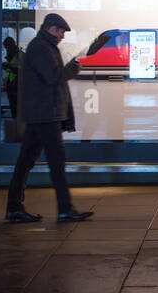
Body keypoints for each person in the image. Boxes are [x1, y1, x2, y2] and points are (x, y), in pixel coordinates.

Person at [6, 13, 93, 223]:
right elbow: (53, 76)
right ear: (51, 28)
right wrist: (72, 68)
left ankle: (14, 208)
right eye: (61, 31)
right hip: (45, 113)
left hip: (41, 113)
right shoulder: (41, 47)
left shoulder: (43, 46)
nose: (62, 36)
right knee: (56, 160)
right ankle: (65, 209)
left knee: (26, 160)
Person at [3, 36, 21, 120]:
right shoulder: (16, 55)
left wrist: (8, 66)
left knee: (16, 110)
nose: (6, 50)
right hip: (14, 87)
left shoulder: (16, 55)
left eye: (6, 47)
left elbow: (17, 69)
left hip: (15, 88)